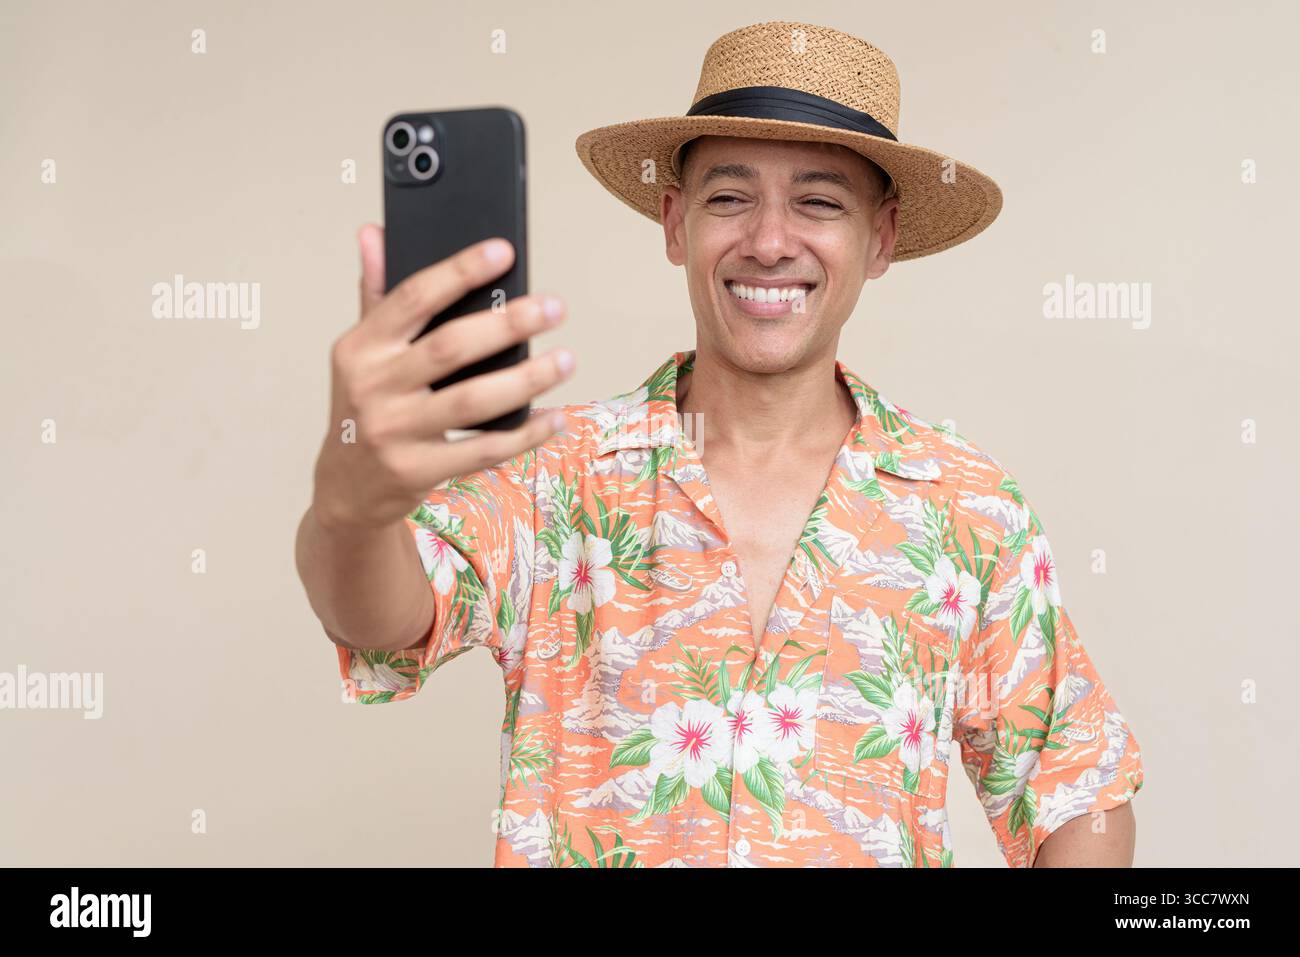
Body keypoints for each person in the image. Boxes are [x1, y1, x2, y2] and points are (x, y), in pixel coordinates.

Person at [295, 20, 1144, 868]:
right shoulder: (556, 473)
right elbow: (384, 617)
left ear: (878, 238)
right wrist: (350, 504)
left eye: (819, 201)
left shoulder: (968, 508)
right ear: (676, 223)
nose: (769, 242)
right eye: (730, 198)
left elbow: (1077, 789)